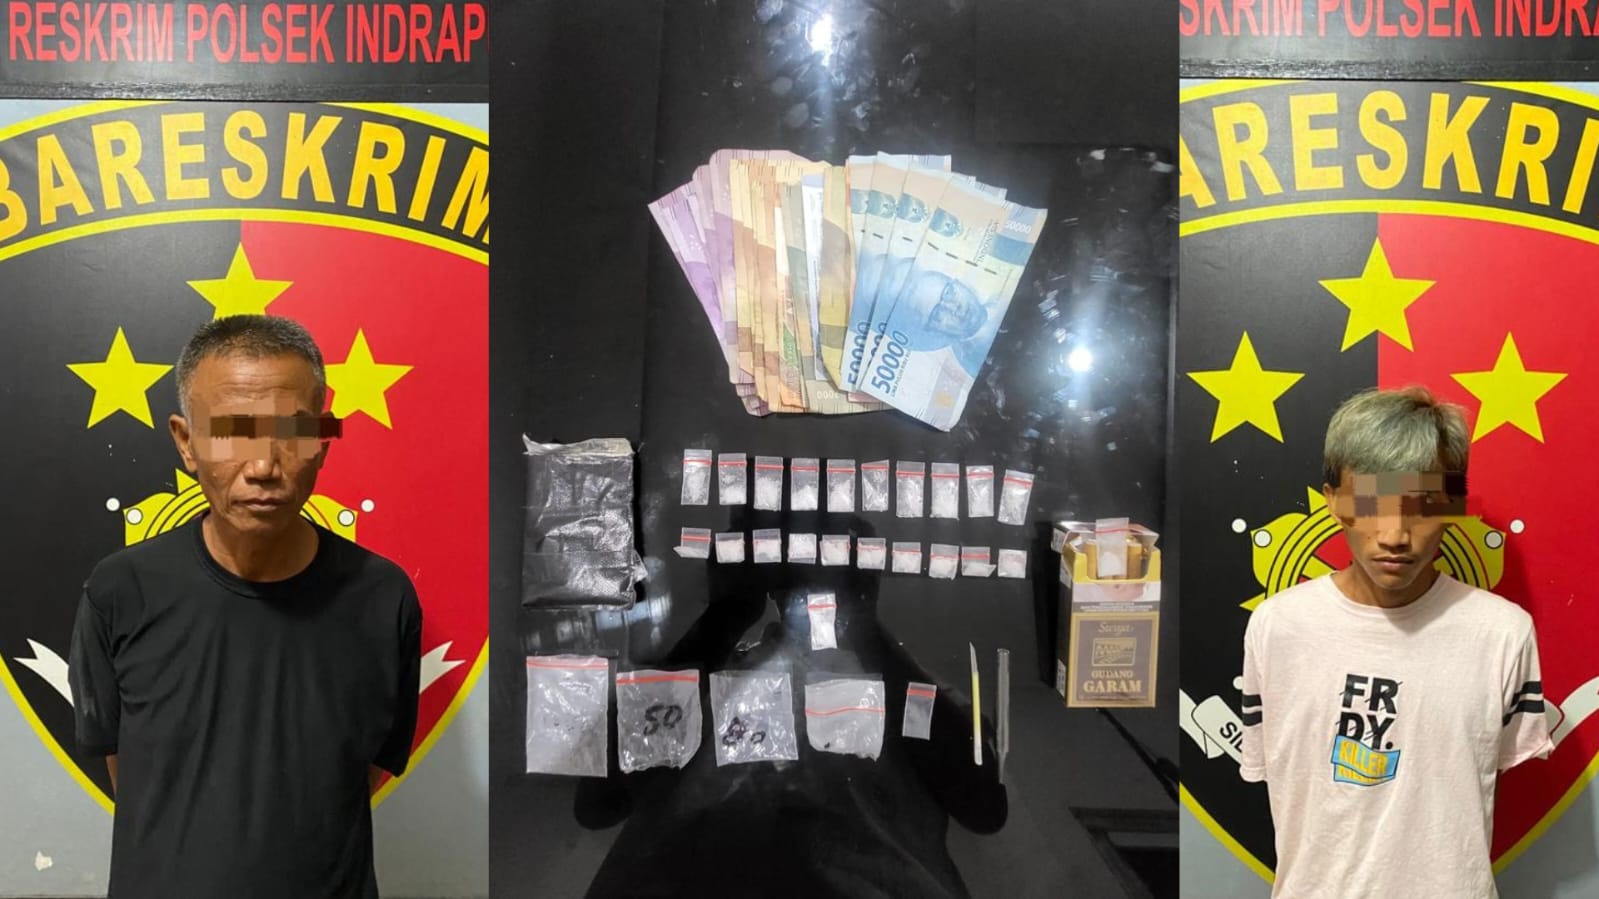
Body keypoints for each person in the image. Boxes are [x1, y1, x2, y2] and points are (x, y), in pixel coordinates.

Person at [67, 314, 422, 899]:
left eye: (291, 432)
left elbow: (362, 772)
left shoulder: (383, 597)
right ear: (186, 442)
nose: (262, 468)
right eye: (233, 433)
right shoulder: (120, 591)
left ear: (322, 440)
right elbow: (122, 767)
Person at [1240, 386, 1552, 897]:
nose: (1394, 535)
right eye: (1371, 503)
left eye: (1423, 506)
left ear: (1453, 505)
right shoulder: (1276, 628)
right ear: (1333, 501)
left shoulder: (1502, 634)